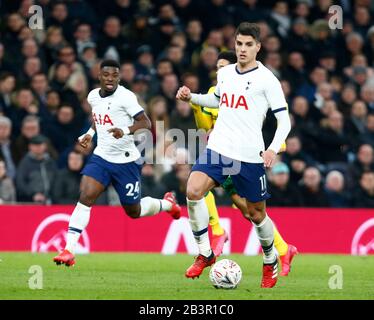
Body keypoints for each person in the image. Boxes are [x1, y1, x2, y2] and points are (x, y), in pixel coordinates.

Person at [176, 23, 291, 288]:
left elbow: (284, 122)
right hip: (219, 149)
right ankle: (205, 253)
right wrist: (191, 97)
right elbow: (218, 99)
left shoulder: (268, 80)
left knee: (256, 214)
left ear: (258, 47)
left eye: (248, 44)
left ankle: (270, 258)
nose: (242, 49)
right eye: (239, 44)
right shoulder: (226, 73)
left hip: (249, 156)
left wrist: (273, 148)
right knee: (193, 190)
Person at [53, 60, 181, 267]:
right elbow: (98, 116)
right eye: (106, 75)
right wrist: (89, 133)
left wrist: (125, 130)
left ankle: (167, 204)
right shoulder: (93, 96)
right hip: (102, 157)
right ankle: (69, 249)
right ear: (99, 76)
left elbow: (146, 122)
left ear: (119, 78)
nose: (110, 79)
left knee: (134, 211)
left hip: (126, 161)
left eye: (114, 75)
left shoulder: (127, 97)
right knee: (86, 196)